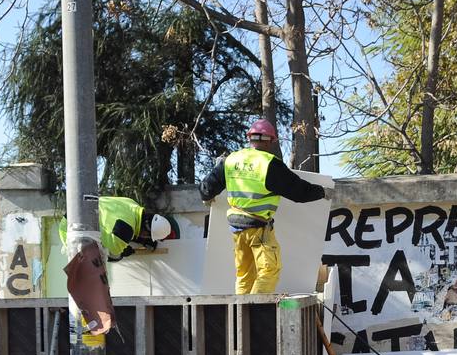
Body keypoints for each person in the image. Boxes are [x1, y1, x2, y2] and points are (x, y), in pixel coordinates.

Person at [199, 119, 328, 294]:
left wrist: (207, 197)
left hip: (237, 227)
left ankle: (241, 317)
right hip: (257, 227)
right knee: (269, 270)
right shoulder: (268, 164)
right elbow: (299, 192)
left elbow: (207, 186)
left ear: (249, 138)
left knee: (244, 275)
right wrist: (322, 192)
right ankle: (254, 313)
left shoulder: (231, 160)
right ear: (271, 141)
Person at [58, 195, 172, 261]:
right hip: (72, 232)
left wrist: (135, 239)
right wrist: (123, 253)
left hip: (73, 215)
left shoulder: (132, 204)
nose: (144, 237)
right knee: (94, 261)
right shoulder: (125, 231)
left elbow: (116, 222)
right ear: (146, 232)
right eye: (147, 236)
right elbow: (111, 254)